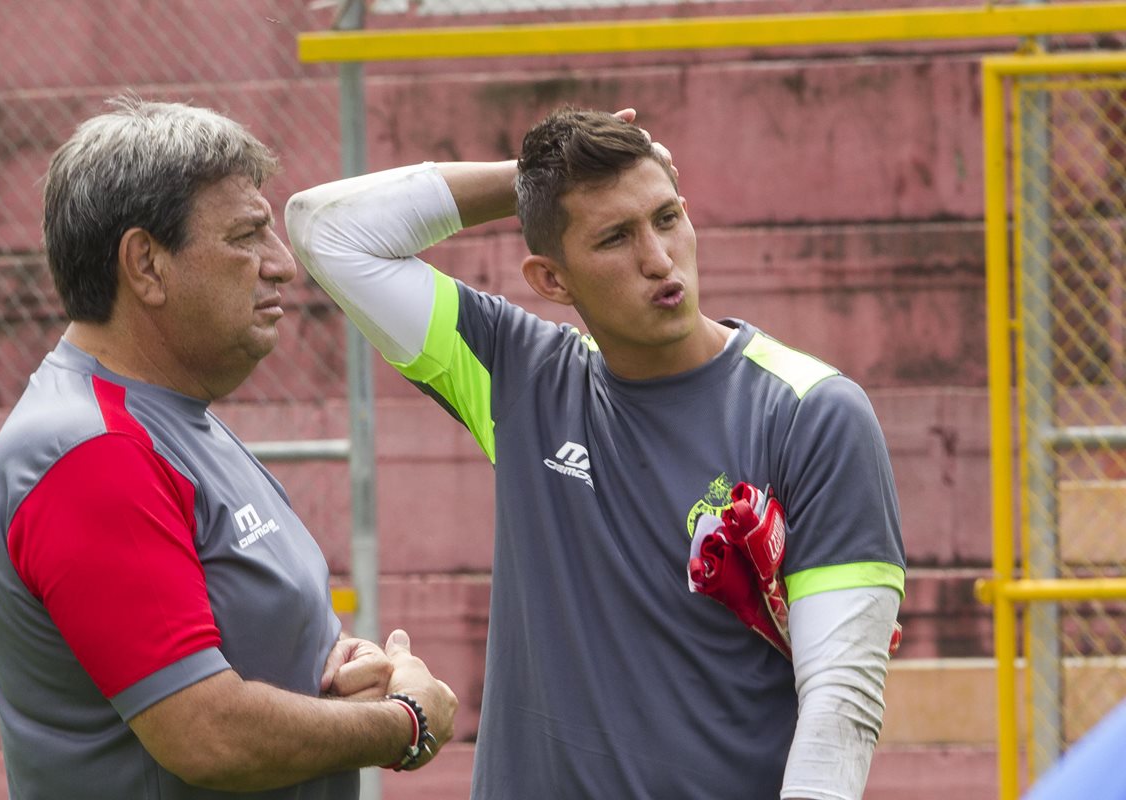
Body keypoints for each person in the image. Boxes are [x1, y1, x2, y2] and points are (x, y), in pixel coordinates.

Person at [284, 106, 906, 799]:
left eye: (667, 219)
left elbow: (840, 700)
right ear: (552, 280)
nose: (659, 259)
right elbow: (324, 229)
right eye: (615, 238)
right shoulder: (520, 378)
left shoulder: (813, 410)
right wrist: (527, 182)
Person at [0, 95, 456, 799]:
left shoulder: (172, 416)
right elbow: (207, 732)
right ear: (146, 265)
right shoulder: (91, 450)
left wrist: (347, 666)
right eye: (247, 236)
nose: (282, 264)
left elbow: (255, 637)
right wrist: (405, 723)